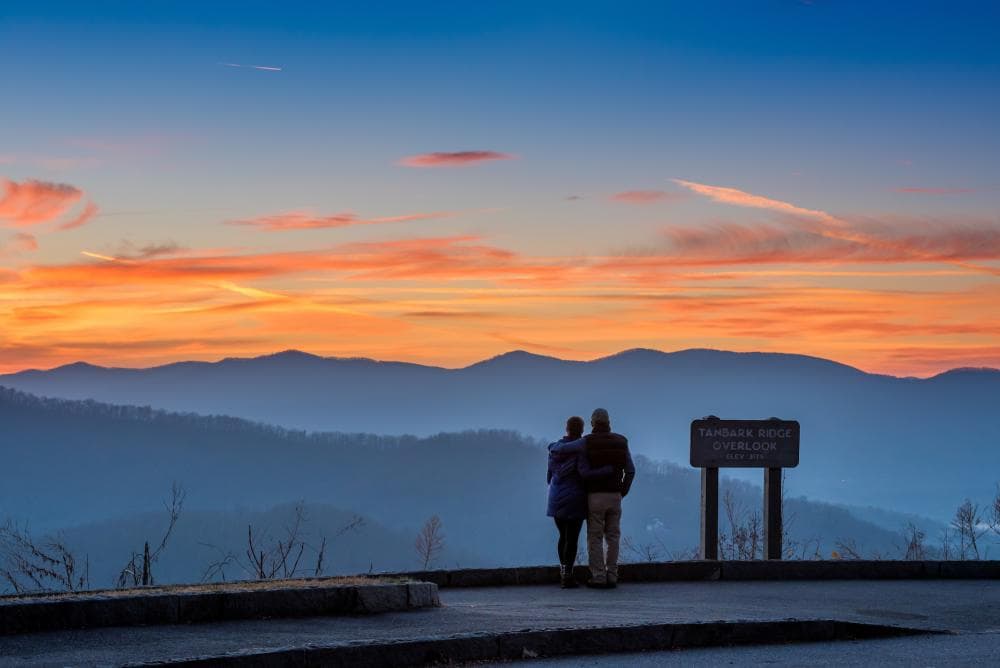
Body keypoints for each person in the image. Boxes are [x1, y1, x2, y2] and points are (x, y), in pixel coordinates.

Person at [547, 416, 613, 588]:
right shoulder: (580, 450)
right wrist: (606, 470)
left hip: (555, 497)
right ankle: (567, 576)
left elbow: (549, 477)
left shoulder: (554, 450)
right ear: (582, 429)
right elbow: (585, 473)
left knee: (562, 536)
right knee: (572, 538)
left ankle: (563, 572)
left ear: (566, 428)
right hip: (575, 497)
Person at [582, 407, 635, 589]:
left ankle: (598, 576)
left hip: (594, 496)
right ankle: (612, 574)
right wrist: (622, 491)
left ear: (592, 423)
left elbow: (580, 471)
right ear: (609, 422)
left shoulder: (586, 442)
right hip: (615, 496)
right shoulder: (621, 441)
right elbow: (630, 470)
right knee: (613, 536)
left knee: (594, 537)